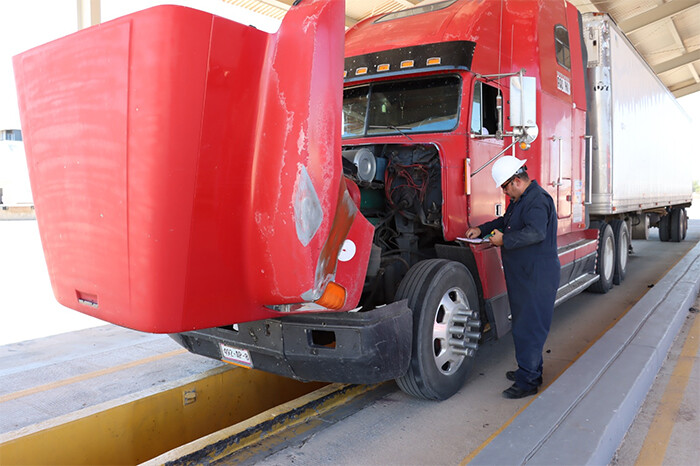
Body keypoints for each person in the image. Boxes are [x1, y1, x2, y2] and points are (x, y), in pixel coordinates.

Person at [465, 156, 560, 399]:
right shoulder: (521, 200)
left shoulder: (537, 201)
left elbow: (536, 232)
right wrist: (482, 229)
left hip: (537, 275)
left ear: (516, 180)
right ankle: (529, 371)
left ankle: (527, 382)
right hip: (524, 274)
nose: (504, 192)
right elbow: (505, 222)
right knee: (523, 324)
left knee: (529, 327)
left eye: (505, 187)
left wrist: (504, 240)